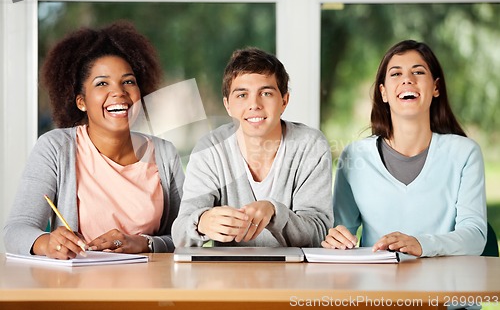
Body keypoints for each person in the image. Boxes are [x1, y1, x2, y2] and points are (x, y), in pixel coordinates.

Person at [3, 21, 184, 259]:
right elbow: (16, 230)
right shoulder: (56, 148)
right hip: (78, 288)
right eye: (102, 83)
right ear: (81, 101)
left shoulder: (164, 153)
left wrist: (145, 243)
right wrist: (46, 242)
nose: (119, 92)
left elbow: (184, 235)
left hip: (149, 289)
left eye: (128, 81)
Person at [322, 40, 487, 257]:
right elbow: (343, 234)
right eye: (396, 74)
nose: (407, 80)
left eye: (418, 72)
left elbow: (475, 237)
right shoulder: (354, 156)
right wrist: (337, 239)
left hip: (442, 285)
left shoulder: (465, 153)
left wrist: (422, 245)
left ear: (436, 87)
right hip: (375, 287)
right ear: (384, 93)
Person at [172, 47, 333, 247]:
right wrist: (201, 222)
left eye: (265, 93)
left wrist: (274, 212)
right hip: (229, 274)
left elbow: (319, 233)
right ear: (227, 105)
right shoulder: (211, 149)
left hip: (294, 273)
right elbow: (179, 233)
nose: (254, 104)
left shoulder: (310, 145)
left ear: (284, 101)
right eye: (242, 95)